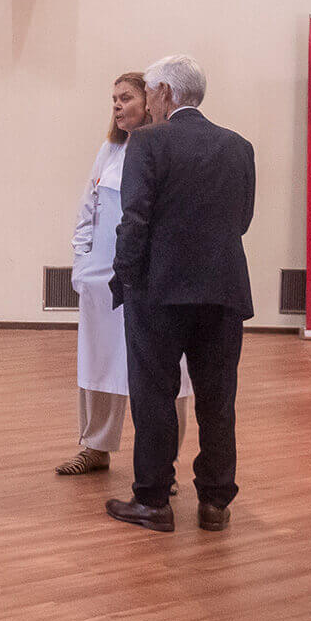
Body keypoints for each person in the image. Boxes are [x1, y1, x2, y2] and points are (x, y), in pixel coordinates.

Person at [104, 55, 254, 535]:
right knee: (217, 399)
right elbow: (243, 220)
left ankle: (152, 500)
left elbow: (135, 219)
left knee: (154, 395)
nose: (146, 103)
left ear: (164, 93)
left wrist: (126, 277)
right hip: (223, 290)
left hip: (159, 290)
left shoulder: (147, 141)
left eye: (147, 93)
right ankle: (214, 503)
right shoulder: (239, 146)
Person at [59, 71, 191, 477]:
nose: (117, 105)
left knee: (168, 372)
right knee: (97, 362)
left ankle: (164, 462)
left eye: (126, 97)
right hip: (102, 279)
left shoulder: (168, 148)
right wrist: (81, 265)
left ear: (149, 103)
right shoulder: (110, 150)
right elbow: (88, 210)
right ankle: (95, 446)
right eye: (113, 98)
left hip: (154, 281)